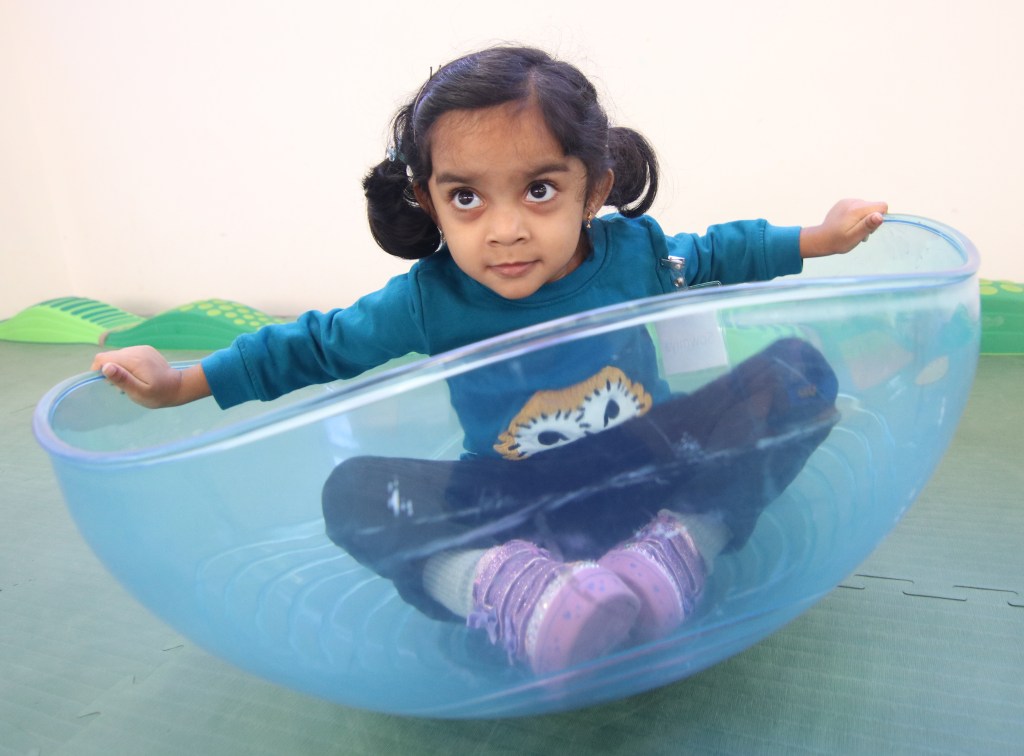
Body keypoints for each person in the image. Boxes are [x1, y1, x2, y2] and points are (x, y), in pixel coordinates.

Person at [93, 46, 887, 676]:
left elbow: (722, 251)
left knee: (798, 372)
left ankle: (682, 548)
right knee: (354, 493)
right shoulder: (428, 298)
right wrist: (180, 384)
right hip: (513, 510)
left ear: (594, 187)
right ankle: (515, 597)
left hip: (654, 468)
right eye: (467, 198)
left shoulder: (635, 255)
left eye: (539, 190)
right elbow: (315, 344)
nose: (503, 229)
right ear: (427, 200)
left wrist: (821, 236)